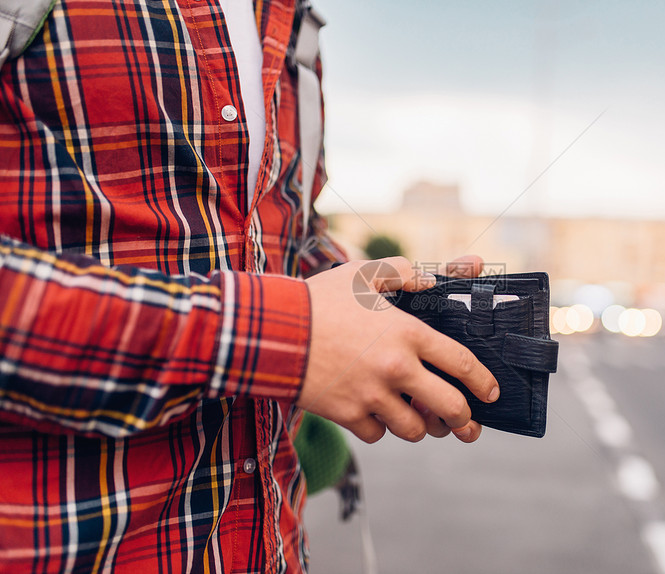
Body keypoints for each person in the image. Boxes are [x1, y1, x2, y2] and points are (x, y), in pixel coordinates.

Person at [0, 0, 499, 572]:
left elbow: (283, 240)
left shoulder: (293, 24)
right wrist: (282, 339)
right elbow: (278, 320)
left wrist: (392, 319)